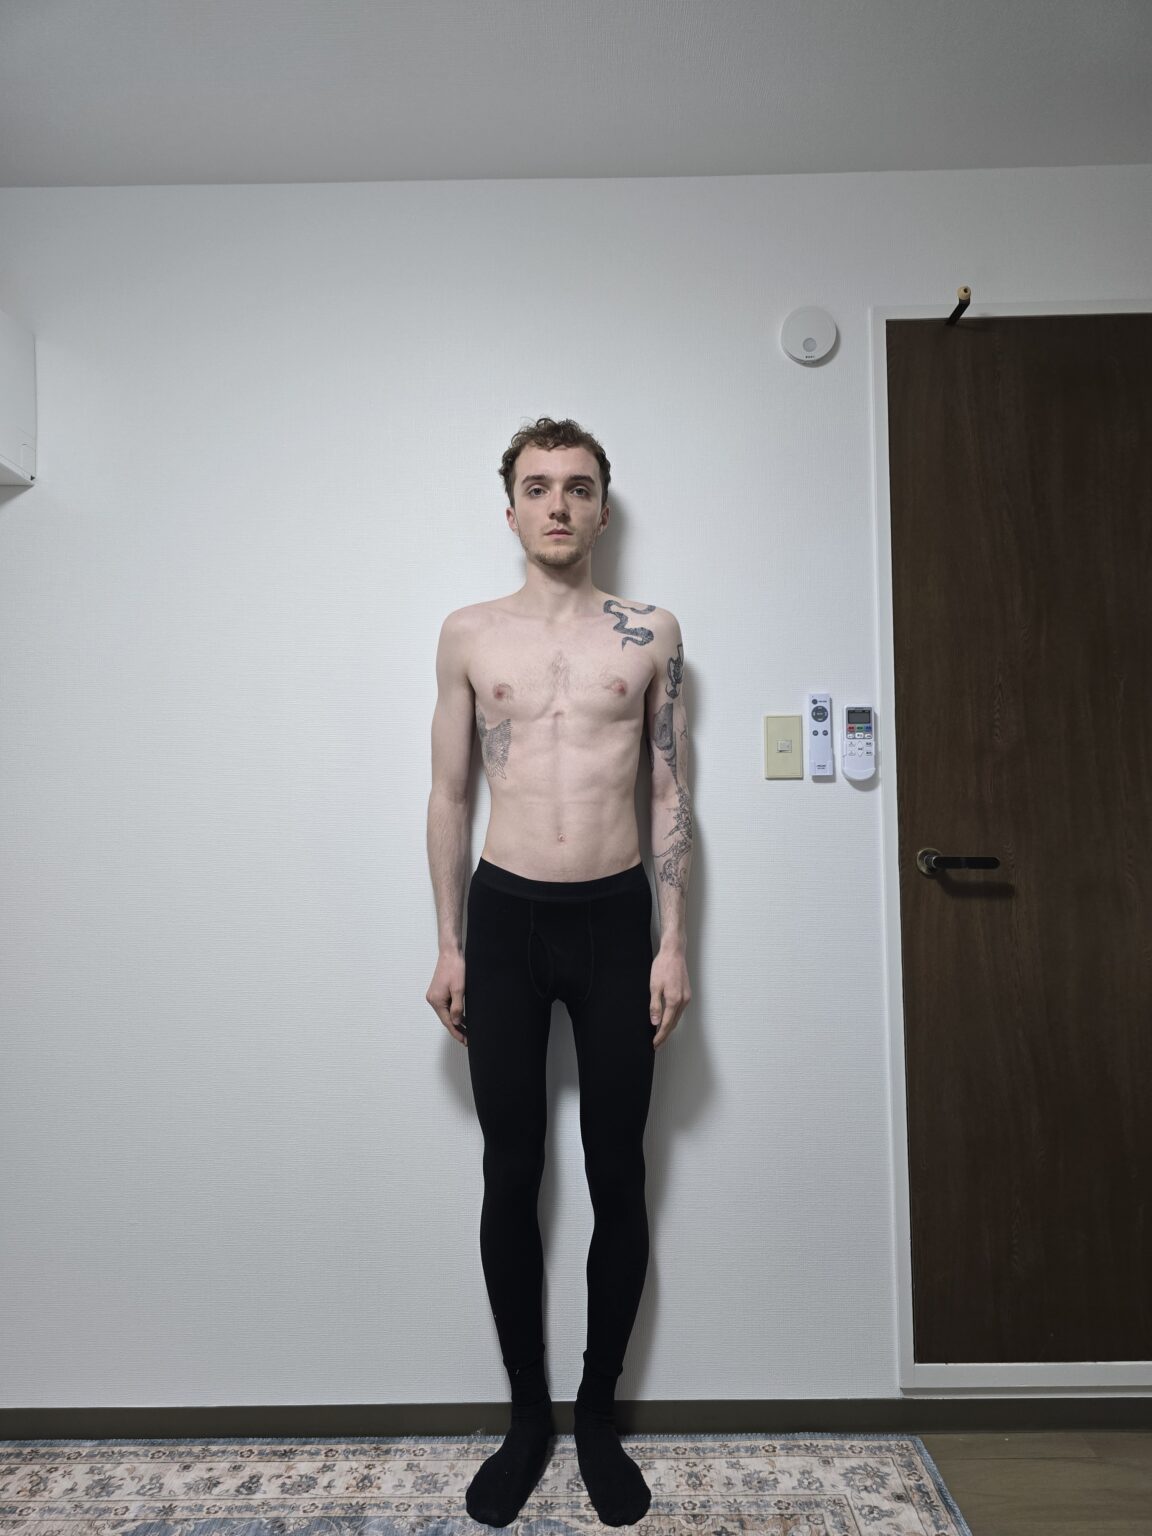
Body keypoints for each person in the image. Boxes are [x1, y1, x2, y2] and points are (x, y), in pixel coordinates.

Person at [425, 416, 694, 1527]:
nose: (558, 504)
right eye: (538, 487)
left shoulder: (651, 633)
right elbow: (449, 794)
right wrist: (449, 941)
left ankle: (595, 1414)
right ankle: (527, 1414)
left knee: (618, 1173)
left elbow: (668, 791)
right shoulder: (469, 634)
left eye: (578, 487)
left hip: (616, 919)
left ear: (601, 508)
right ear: (511, 509)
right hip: (506, 920)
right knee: (511, 1171)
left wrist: (673, 941)